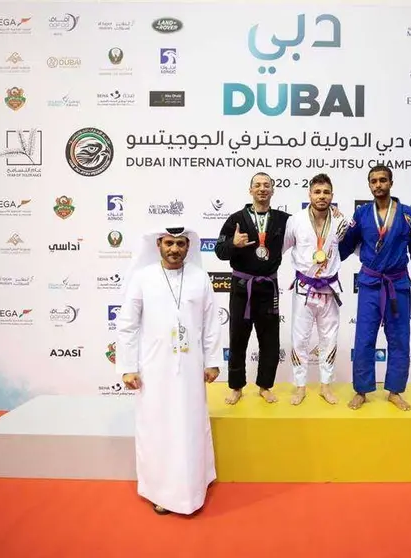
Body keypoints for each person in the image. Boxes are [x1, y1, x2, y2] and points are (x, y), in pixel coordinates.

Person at [115, 225, 222, 516]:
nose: (174, 249)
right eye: (169, 243)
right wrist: (127, 367)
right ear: (158, 244)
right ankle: (160, 490)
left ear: (189, 247)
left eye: (180, 244)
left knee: (189, 424)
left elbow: (211, 323)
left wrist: (212, 361)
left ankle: (194, 482)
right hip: (154, 367)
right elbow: (126, 325)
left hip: (190, 366)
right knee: (158, 426)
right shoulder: (143, 278)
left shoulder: (200, 278)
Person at [338, 165, 411, 411]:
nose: (378, 185)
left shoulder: (407, 215)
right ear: (369, 185)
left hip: (397, 284)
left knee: (399, 339)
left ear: (391, 183)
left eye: (382, 180)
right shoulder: (362, 214)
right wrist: (325, 261)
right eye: (373, 181)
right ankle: (362, 390)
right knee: (365, 338)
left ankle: (395, 391)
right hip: (369, 284)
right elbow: (346, 245)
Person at [214, 172, 290, 405]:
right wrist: (232, 244)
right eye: (257, 185)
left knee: (270, 339)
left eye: (267, 185)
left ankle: (265, 386)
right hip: (241, 287)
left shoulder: (283, 219)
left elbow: (311, 224)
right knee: (238, 338)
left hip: (268, 287)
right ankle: (236, 387)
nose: (262, 189)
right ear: (250, 190)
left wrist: (333, 213)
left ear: (273, 190)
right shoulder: (236, 219)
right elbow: (219, 251)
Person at [282, 173, 348, 405]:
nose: (322, 196)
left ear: (332, 195)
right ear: (309, 194)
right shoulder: (296, 220)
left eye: (326, 192)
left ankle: (325, 386)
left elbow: (351, 247)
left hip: (329, 287)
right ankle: (300, 386)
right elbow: (281, 248)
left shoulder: (341, 222)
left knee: (329, 339)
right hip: (304, 287)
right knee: (299, 339)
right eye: (317, 192)